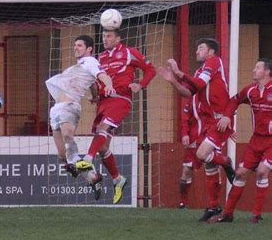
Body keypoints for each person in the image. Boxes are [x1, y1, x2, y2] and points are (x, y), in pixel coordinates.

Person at [75, 28, 157, 204]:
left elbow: (151, 70)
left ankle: (87, 159)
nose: (105, 39)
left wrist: (140, 85)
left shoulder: (129, 52)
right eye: (103, 36)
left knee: (102, 129)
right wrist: (95, 95)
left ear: (118, 38)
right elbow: (95, 79)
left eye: (109, 36)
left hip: (121, 99)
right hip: (103, 101)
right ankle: (117, 178)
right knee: (103, 146)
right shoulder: (101, 58)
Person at [158, 38, 235, 222]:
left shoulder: (214, 62)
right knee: (209, 164)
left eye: (200, 48)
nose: (196, 51)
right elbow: (188, 93)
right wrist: (173, 81)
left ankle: (225, 161)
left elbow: (199, 85)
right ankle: (213, 207)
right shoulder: (200, 71)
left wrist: (178, 72)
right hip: (208, 123)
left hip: (219, 120)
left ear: (211, 51)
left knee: (201, 155)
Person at [45, 35, 115, 200]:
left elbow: (101, 75)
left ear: (89, 48)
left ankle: (83, 166)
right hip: (56, 109)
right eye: (75, 45)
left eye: (79, 45)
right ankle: (93, 178)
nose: (75, 48)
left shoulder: (91, 61)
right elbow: (91, 82)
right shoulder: (82, 65)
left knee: (68, 137)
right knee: (63, 155)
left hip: (69, 106)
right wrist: (94, 96)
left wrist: (109, 84)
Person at [210, 58, 272, 223]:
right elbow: (234, 100)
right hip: (256, 140)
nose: (253, 70)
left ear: (267, 72)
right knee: (240, 173)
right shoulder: (251, 90)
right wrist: (227, 116)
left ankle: (257, 215)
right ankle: (227, 214)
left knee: (262, 171)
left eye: (257, 67)